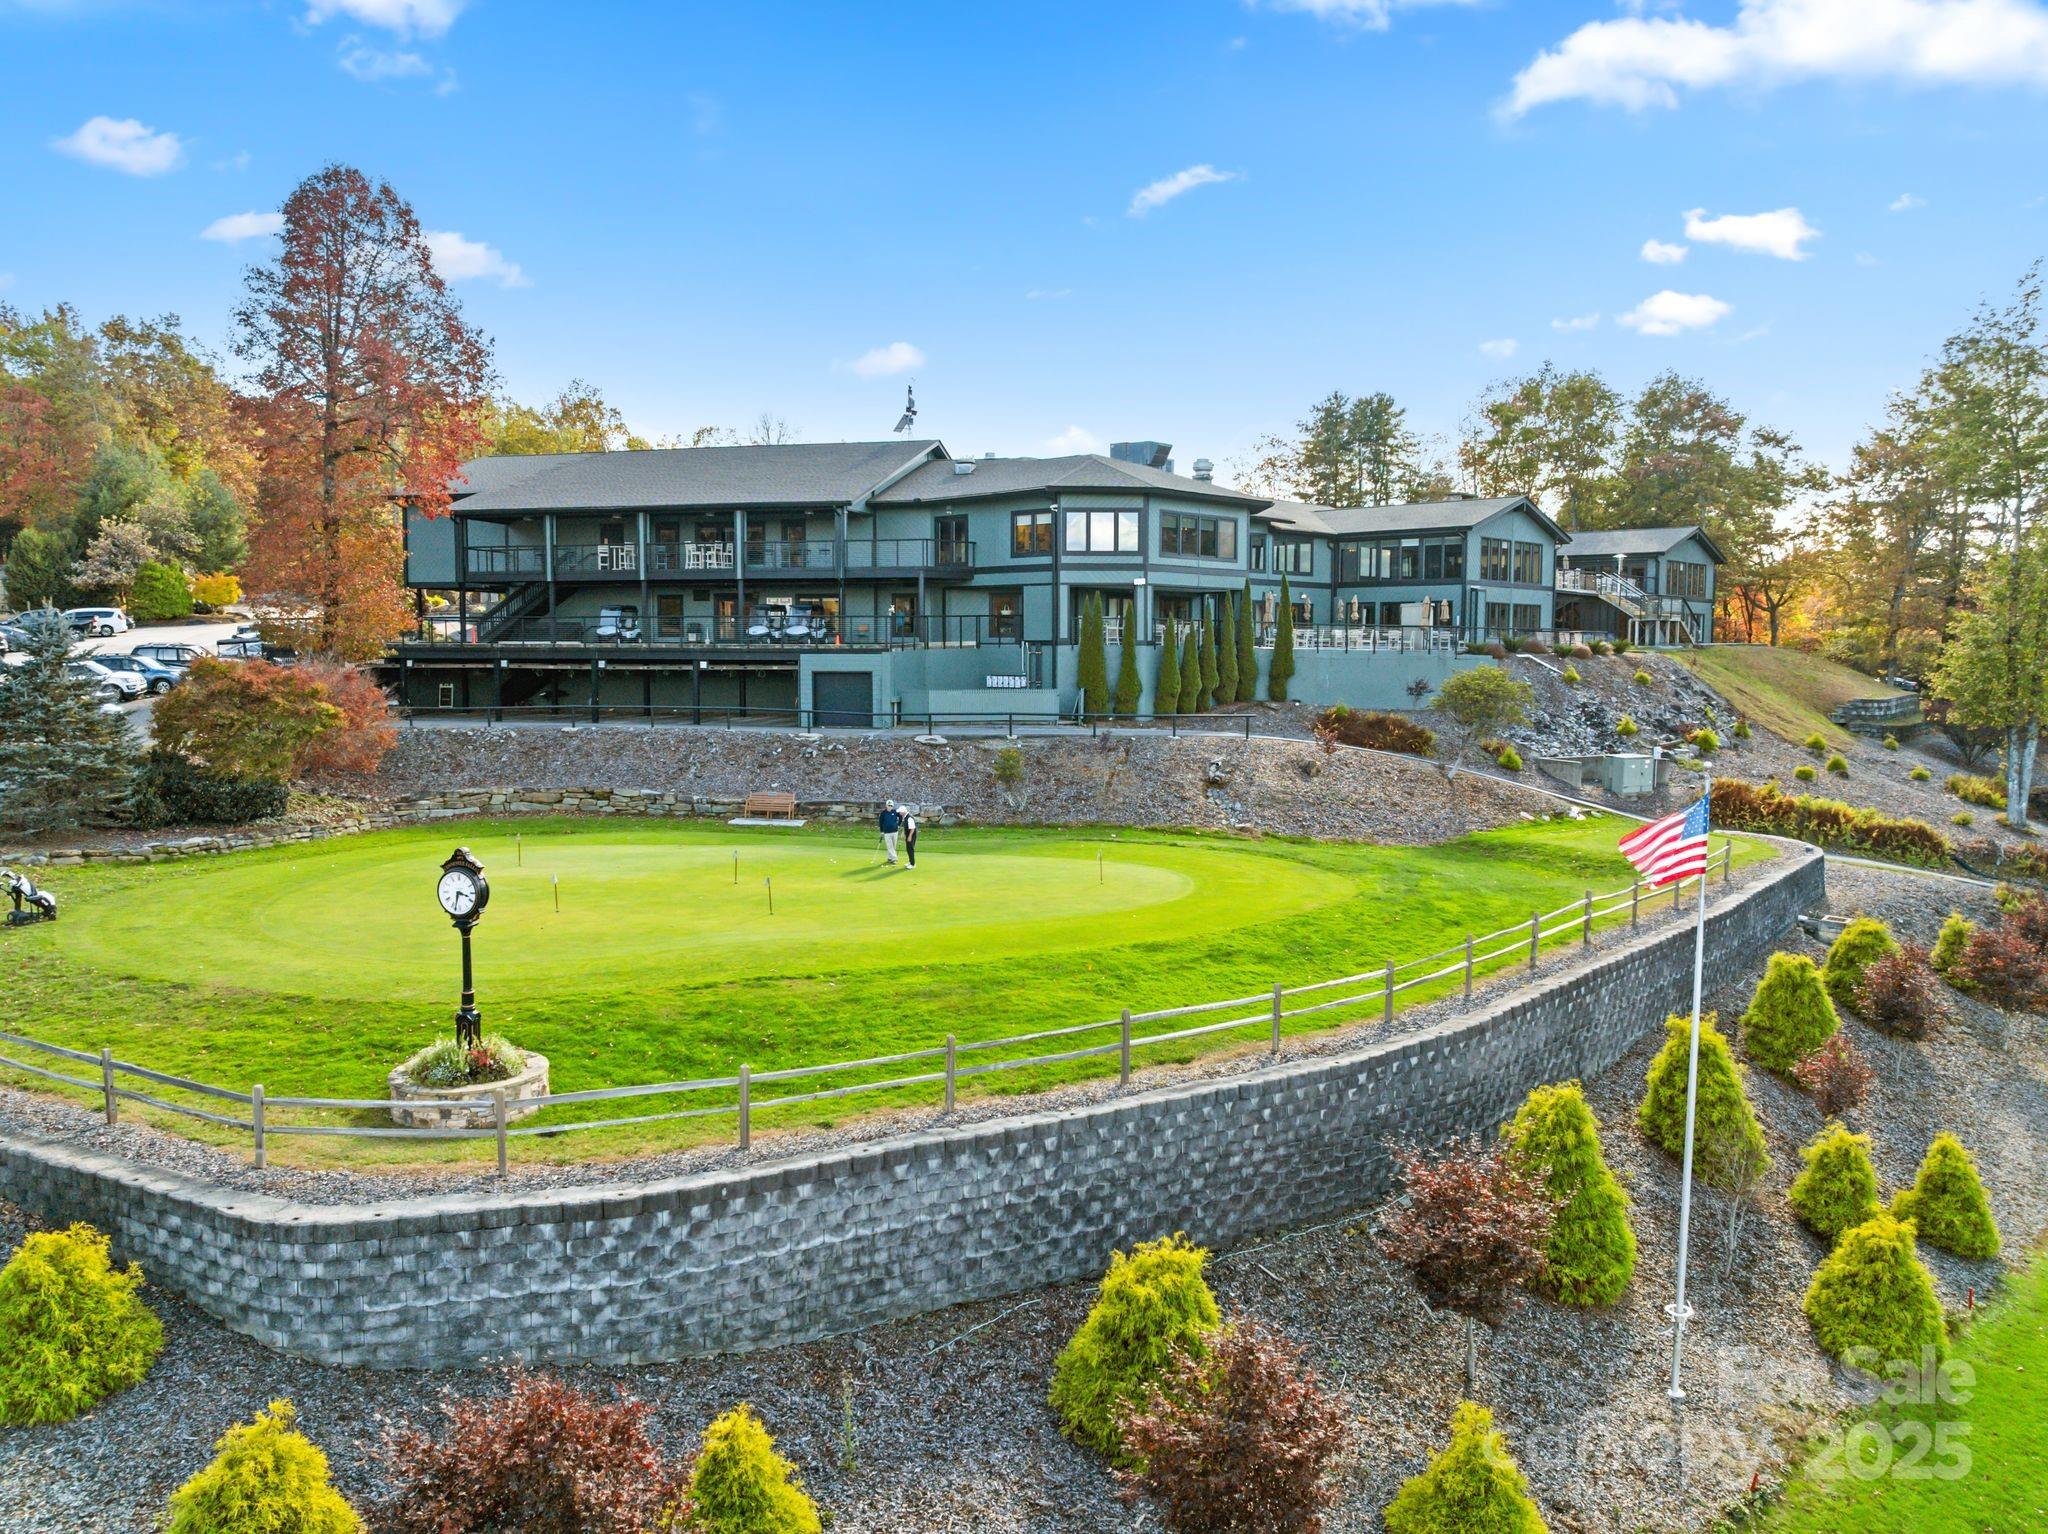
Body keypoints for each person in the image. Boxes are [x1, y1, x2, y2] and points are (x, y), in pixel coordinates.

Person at [878, 800, 901, 865]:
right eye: (889, 805)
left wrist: (898, 825)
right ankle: (894, 859)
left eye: (891, 805)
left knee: (893, 846)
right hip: (887, 832)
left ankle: (890, 858)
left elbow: (901, 817)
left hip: (895, 831)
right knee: (890, 846)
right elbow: (880, 822)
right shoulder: (883, 813)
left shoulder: (895, 811)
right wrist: (881, 831)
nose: (890, 807)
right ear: (886, 805)